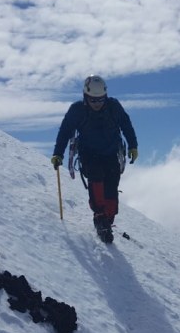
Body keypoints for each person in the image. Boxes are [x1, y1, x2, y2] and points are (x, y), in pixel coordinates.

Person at [51, 75, 138, 243]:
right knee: (96, 178)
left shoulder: (113, 106)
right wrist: (58, 153)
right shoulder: (77, 110)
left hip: (111, 153)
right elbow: (65, 131)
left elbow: (126, 125)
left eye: (100, 100)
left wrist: (133, 145)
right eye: (93, 100)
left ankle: (108, 218)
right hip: (89, 154)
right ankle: (99, 217)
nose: (97, 104)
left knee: (111, 187)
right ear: (85, 97)